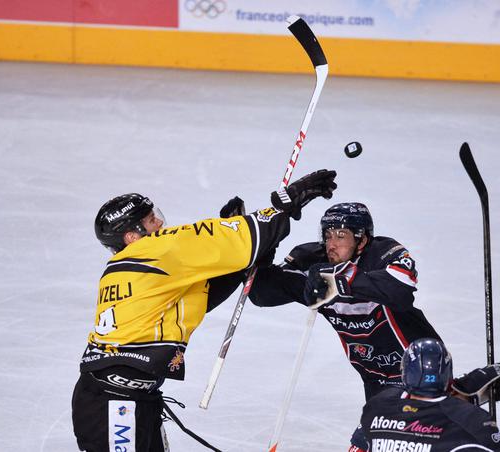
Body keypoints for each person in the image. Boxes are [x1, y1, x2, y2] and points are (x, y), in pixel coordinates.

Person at [71, 169, 337, 452]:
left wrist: (241, 267)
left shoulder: (121, 270)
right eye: (150, 220)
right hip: (117, 406)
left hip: (120, 399)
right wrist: (287, 201)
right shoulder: (154, 250)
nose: (160, 222)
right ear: (132, 237)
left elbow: (201, 296)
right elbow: (251, 237)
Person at [248, 202, 442, 401]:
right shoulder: (314, 265)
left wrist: (341, 278)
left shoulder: (381, 254)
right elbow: (260, 293)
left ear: (362, 239)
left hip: (423, 370)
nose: (331, 244)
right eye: (328, 235)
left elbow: (401, 292)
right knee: (374, 431)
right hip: (374, 379)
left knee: (410, 429)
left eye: (341, 236)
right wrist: (260, 245)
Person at [351, 338, 500, 452]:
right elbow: (441, 417)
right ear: (447, 375)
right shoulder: (473, 421)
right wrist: (467, 401)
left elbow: (357, 448)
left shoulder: (378, 407)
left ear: (404, 372)